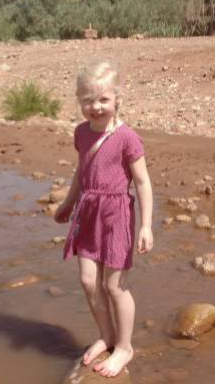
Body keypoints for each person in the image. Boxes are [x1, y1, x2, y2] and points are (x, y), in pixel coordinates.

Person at [55, 58, 154, 378]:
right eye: (88, 100)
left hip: (115, 216)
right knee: (88, 281)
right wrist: (68, 202)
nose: (96, 107)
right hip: (88, 212)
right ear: (79, 101)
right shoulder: (81, 133)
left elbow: (142, 182)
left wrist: (146, 225)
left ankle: (124, 346)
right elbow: (81, 170)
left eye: (103, 99)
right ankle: (107, 335)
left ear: (117, 99)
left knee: (115, 285)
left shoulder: (127, 138)